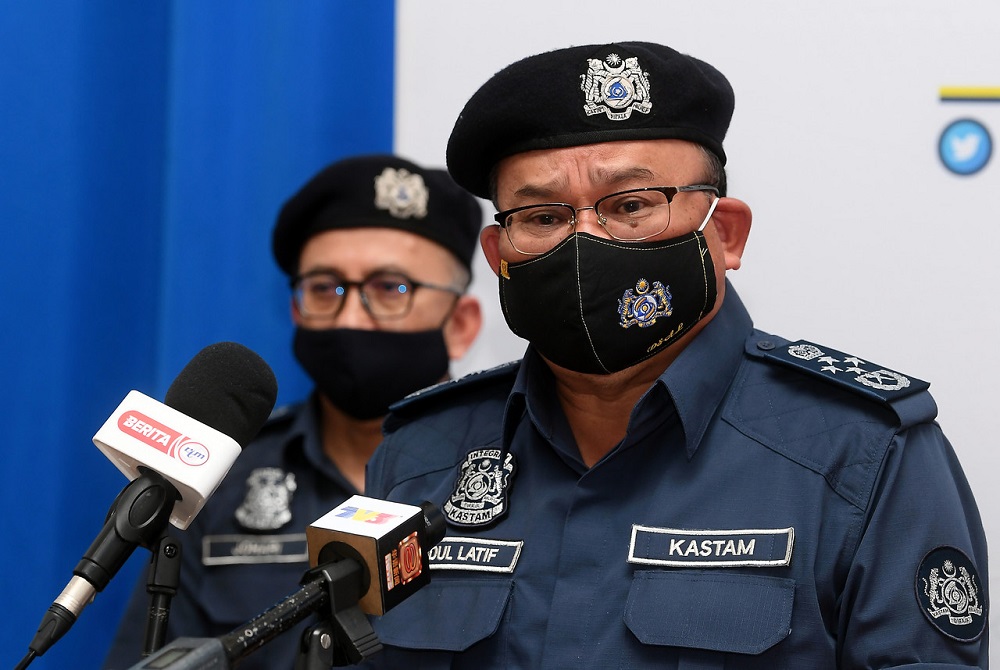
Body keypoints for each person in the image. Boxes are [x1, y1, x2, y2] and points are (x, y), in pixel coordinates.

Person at [361, 43, 989, 668]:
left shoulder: (862, 453)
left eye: (632, 205)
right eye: (544, 217)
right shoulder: (420, 458)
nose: (584, 242)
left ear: (726, 233)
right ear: (499, 255)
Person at [102, 154, 485, 669]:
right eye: (325, 289)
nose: (352, 317)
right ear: (296, 309)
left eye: (390, 288)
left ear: (461, 324)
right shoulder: (219, 479)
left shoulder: (512, 475)